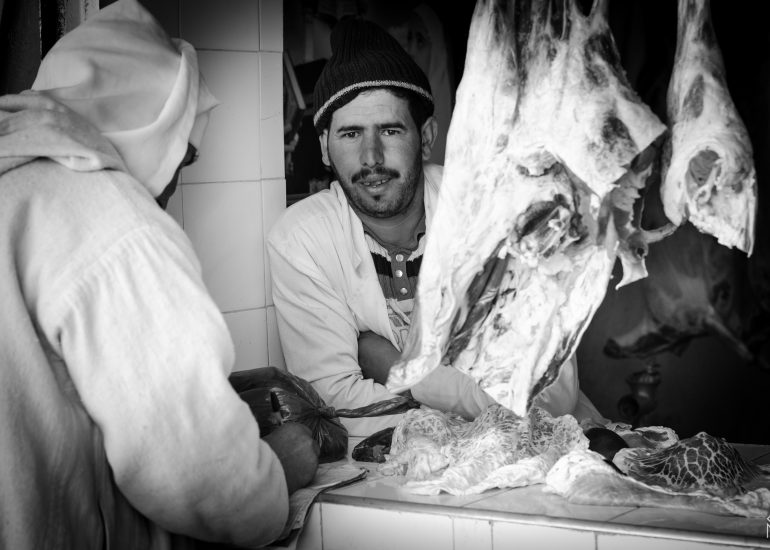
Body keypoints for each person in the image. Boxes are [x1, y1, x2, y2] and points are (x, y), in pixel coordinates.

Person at [0, 1, 318, 548]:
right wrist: (279, 469)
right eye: (181, 159)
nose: (169, 189)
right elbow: (205, 482)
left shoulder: (15, 182)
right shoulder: (115, 221)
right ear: (147, 133)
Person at [268, 17, 607, 438]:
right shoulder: (302, 239)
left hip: (558, 454)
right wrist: (473, 400)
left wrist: (402, 371)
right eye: (350, 134)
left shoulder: (494, 213)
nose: (371, 157)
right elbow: (337, 406)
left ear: (426, 136)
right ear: (324, 147)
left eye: (390, 130)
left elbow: (546, 394)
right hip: (396, 468)